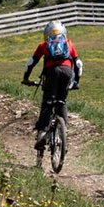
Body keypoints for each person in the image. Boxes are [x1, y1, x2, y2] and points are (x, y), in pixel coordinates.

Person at [20, 21, 82, 161]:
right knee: (62, 101)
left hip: (51, 73)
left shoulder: (44, 45)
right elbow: (78, 64)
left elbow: (30, 63)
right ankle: (62, 132)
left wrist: (26, 78)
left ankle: (43, 133)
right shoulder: (69, 43)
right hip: (67, 73)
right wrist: (76, 82)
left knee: (48, 102)